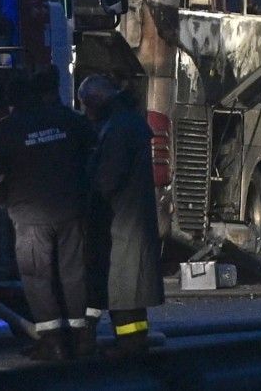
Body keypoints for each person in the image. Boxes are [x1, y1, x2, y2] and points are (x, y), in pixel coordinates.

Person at [0, 67, 97, 361]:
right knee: (74, 274)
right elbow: (93, 151)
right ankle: (81, 337)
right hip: (71, 211)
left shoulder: (5, 129)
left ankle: (52, 342)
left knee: (37, 277)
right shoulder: (68, 121)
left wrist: (2, 202)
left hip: (29, 215)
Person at [78, 75, 163, 359]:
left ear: (97, 101)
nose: (87, 113)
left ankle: (130, 346)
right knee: (129, 290)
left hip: (122, 221)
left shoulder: (116, 129)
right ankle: (132, 341)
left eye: (87, 105)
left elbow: (107, 178)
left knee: (124, 288)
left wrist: (86, 189)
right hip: (131, 218)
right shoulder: (128, 121)